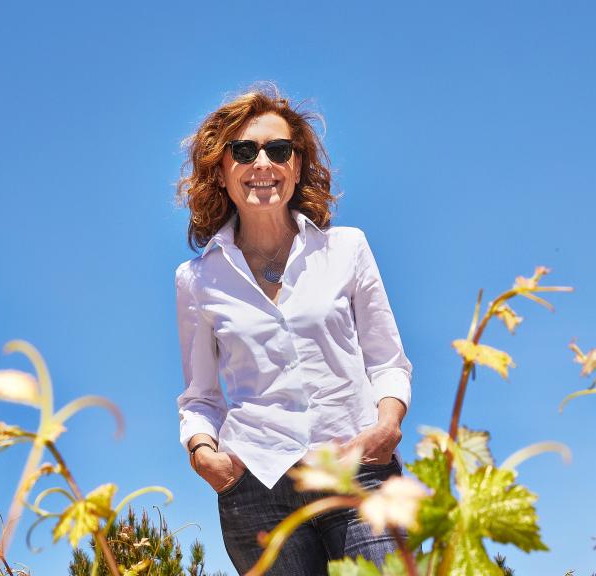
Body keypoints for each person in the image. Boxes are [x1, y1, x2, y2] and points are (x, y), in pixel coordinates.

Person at [174, 84, 412, 575]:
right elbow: (200, 397)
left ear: (297, 165)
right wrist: (204, 455)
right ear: (221, 171)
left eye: (279, 150)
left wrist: (387, 426)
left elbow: (387, 361)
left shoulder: (347, 249)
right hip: (255, 487)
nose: (263, 163)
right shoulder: (197, 279)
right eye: (244, 151)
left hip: (359, 468)